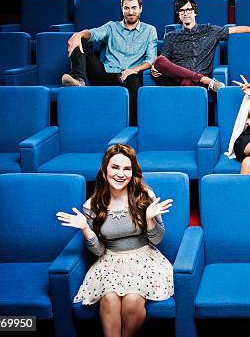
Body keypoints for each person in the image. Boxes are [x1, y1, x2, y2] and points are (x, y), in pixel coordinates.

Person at [56, 144, 173, 337]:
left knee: (132, 300)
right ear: (105, 170)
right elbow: (99, 250)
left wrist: (150, 219)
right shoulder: (92, 205)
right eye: (115, 167)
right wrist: (86, 228)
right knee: (109, 299)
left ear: (132, 172)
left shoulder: (145, 196)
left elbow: (158, 239)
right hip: (109, 261)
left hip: (145, 260)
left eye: (126, 169)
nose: (120, 174)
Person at [61, 0, 157, 126]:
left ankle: (132, 126)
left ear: (140, 8)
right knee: (80, 40)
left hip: (129, 75)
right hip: (105, 73)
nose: (130, 12)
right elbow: (94, 34)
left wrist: (134, 70)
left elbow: (151, 59)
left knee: (134, 79)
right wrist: (79, 34)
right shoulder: (112, 26)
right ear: (122, 8)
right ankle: (78, 79)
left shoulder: (150, 30)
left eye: (134, 8)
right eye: (127, 8)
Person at [151, 0, 250, 91]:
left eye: (189, 10)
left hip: (192, 81)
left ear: (195, 12)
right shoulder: (171, 36)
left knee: (188, 82)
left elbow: (236, 29)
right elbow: (164, 60)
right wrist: (155, 68)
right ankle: (205, 80)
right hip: (176, 78)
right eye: (182, 11)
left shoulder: (210, 30)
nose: (186, 13)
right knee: (159, 61)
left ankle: (199, 80)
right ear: (178, 15)